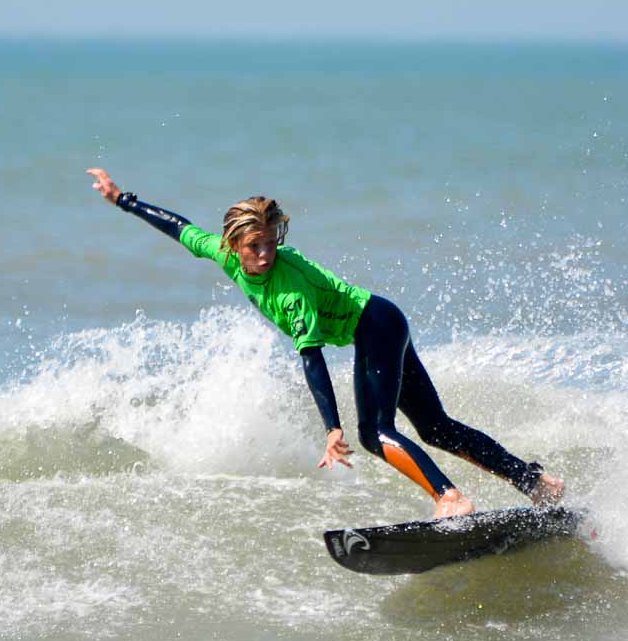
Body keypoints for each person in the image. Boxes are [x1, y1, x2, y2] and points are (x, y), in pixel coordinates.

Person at [86, 168, 564, 518]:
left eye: (270, 242)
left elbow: (312, 360)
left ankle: (450, 498)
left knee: (374, 433)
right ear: (233, 245)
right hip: (385, 318)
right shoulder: (223, 253)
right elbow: (178, 227)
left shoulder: (290, 290)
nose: (266, 254)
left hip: (374, 325)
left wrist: (332, 428)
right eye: (255, 246)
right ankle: (535, 482)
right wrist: (122, 198)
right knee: (435, 428)